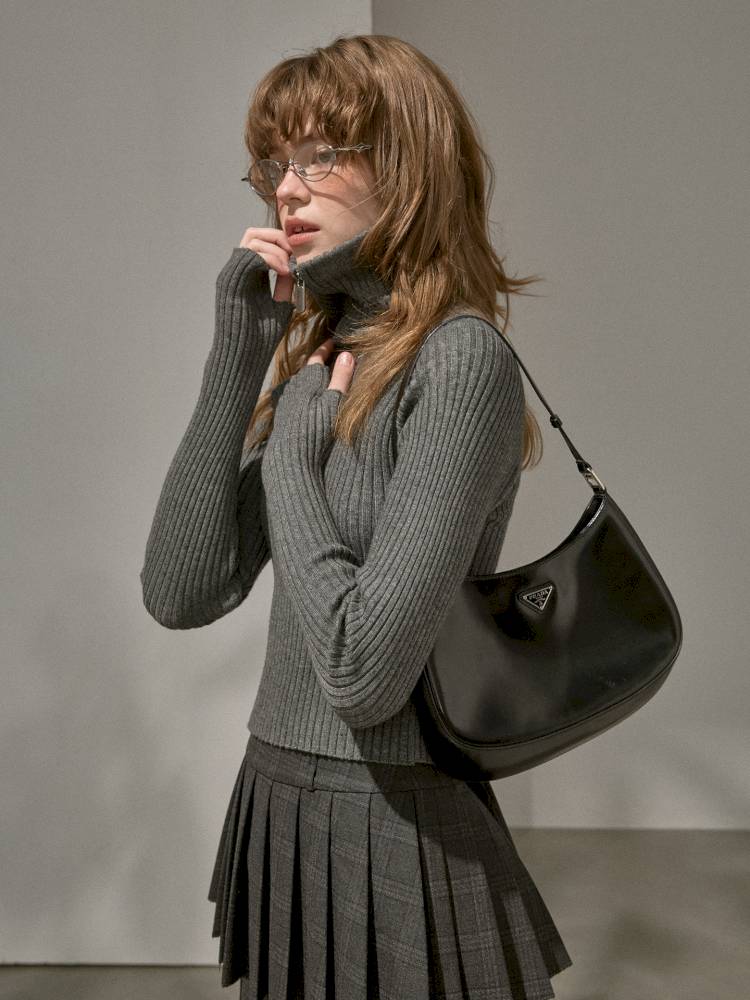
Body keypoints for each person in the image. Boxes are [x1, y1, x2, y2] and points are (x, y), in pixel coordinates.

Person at [140, 32, 573, 1000]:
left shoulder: (459, 360)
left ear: (407, 164)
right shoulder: (323, 362)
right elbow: (179, 591)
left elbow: (364, 674)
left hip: (396, 813)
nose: (285, 191)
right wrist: (239, 356)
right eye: (274, 165)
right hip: (277, 798)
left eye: (318, 157)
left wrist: (297, 455)